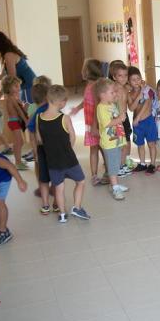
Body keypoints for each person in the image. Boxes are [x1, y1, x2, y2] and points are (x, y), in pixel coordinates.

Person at [37, 85, 90, 223]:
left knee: (59, 188)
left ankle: (62, 214)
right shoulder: (64, 118)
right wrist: (68, 148)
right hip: (69, 159)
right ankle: (77, 207)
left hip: (52, 161)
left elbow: (39, 140)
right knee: (81, 181)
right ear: (62, 102)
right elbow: (72, 136)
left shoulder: (39, 118)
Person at [70, 59, 107, 185]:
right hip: (90, 124)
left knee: (103, 147)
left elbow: (97, 106)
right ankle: (94, 176)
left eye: (83, 68)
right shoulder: (89, 85)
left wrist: (95, 126)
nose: (82, 71)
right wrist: (77, 108)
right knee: (94, 148)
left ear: (88, 71)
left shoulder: (95, 86)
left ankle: (108, 172)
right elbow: (86, 101)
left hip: (96, 124)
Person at [28, 82, 59, 214]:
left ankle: (45, 205)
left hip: (42, 150)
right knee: (57, 178)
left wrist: (35, 152)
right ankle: (57, 203)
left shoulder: (35, 114)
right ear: (48, 96)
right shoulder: (55, 110)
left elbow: (32, 136)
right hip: (56, 149)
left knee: (44, 178)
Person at [96, 78, 128, 200]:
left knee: (116, 164)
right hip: (109, 143)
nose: (114, 94)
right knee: (112, 165)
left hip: (116, 140)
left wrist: (118, 100)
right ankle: (115, 188)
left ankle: (115, 184)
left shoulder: (111, 104)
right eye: (112, 92)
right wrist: (119, 119)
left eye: (114, 92)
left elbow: (118, 113)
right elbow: (107, 123)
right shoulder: (101, 107)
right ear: (102, 95)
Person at [0, 31, 36, 103]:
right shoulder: (8, 54)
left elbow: (11, 79)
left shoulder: (9, 55)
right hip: (27, 85)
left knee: (28, 108)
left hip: (28, 86)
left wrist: (0, 94)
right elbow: (2, 76)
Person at [127, 66, 158, 173]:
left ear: (141, 78)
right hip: (137, 124)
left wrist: (138, 118)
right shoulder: (130, 94)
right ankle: (142, 163)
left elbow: (148, 104)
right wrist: (139, 95)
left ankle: (152, 164)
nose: (136, 81)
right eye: (133, 80)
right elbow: (131, 108)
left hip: (148, 121)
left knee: (151, 144)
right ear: (129, 82)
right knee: (140, 144)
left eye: (138, 78)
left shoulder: (148, 89)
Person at [110, 61, 134, 176]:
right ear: (114, 77)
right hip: (118, 119)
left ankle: (123, 164)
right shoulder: (113, 89)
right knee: (120, 144)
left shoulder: (125, 88)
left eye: (125, 75)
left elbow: (131, 106)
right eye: (120, 75)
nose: (124, 78)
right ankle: (118, 167)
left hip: (125, 118)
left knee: (126, 142)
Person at [1, 75, 29, 170]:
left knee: (20, 142)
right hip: (14, 122)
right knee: (18, 142)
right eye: (16, 86)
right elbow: (19, 111)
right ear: (8, 88)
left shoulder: (15, 97)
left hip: (16, 122)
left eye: (19, 86)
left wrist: (24, 106)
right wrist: (26, 120)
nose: (18, 88)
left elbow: (21, 108)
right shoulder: (11, 98)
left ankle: (18, 160)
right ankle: (17, 162)